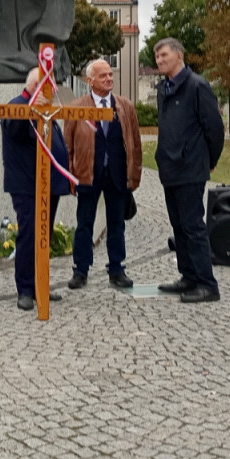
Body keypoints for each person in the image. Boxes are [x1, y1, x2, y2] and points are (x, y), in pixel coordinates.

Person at [154, 37, 225, 303]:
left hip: (191, 167)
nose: (159, 60)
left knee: (194, 226)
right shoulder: (164, 88)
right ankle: (188, 276)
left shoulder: (197, 86)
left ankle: (207, 284)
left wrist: (210, 159)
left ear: (179, 56)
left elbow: (214, 128)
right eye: (157, 57)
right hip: (169, 168)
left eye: (164, 55)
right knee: (179, 226)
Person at [65, 59, 142, 290]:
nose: (109, 79)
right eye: (103, 76)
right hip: (88, 173)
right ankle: (80, 270)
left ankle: (117, 269)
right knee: (84, 224)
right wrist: (71, 175)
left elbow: (135, 144)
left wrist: (134, 174)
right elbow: (68, 146)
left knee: (117, 224)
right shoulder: (77, 108)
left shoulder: (125, 107)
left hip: (117, 175)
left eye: (110, 74)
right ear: (90, 81)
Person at [1, 67, 70, 311]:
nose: (56, 91)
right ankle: (26, 290)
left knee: (44, 236)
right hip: (27, 185)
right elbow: (15, 129)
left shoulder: (47, 109)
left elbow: (54, 142)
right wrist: (32, 109)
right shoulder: (17, 104)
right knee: (30, 234)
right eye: (50, 86)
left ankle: (41, 283)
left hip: (48, 184)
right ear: (36, 87)